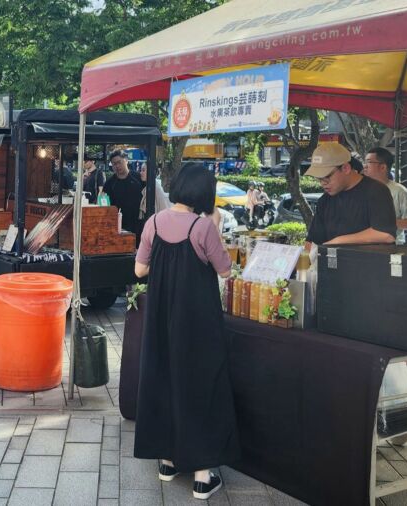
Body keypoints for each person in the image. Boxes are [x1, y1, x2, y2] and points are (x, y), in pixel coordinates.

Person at [133, 162, 239, 500]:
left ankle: (166, 462)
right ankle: (203, 475)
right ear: (204, 192)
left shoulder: (153, 222)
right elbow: (226, 271)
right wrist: (216, 228)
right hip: (197, 322)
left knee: (164, 379)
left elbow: (139, 270)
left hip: (161, 320)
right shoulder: (203, 227)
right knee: (200, 384)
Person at [304, 143, 397, 248]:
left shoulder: (376, 191)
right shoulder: (325, 200)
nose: (323, 183)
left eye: (327, 176)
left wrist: (338, 241)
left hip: (370, 263)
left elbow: (385, 235)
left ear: (346, 168)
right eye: (319, 178)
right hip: (334, 263)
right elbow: (312, 242)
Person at [363, 147, 407, 245]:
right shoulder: (361, 189)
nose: (365, 166)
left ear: (383, 167)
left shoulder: (399, 191)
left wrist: (385, 223)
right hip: (364, 245)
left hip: (391, 247)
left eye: (369, 162)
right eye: (365, 162)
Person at [103, 149, 144, 234]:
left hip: (138, 223)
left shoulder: (139, 178)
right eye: (114, 164)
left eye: (119, 162)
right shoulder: (109, 183)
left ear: (126, 161)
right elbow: (105, 205)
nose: (117, 166)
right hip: (118, 225)